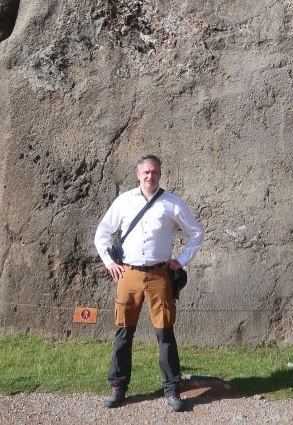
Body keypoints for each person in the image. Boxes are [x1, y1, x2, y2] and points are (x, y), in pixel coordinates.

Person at [93, 154, 204, 412]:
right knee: (123, 332)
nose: (150, 176)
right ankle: (118, 387)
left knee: (165, 334)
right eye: (146, 172)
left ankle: (172, 389)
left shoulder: (172, 202)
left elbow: (196, 233)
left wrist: (181, 260)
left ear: (160, 174)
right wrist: (110, 262)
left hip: (159, 275)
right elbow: (102, 234)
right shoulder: (123, 202)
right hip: (128, 275)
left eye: (154, 172)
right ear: (138, 174)